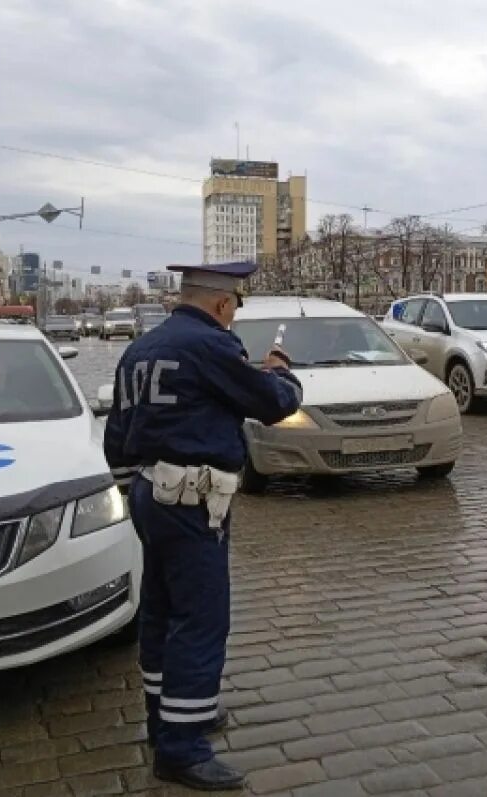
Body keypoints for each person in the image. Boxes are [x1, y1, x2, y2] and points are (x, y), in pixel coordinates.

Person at [103, 261, 302, 791]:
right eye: (235, 304)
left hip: (151, 493)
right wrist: (281, 371)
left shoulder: (141, 348)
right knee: (201, 618)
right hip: (193, 501)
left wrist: (134, 494)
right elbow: (271, 404)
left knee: (162, 609)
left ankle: (166, 718)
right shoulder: (212, 345)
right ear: (221, 304)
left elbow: (117, 433)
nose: (234, 314)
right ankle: (182, 748)